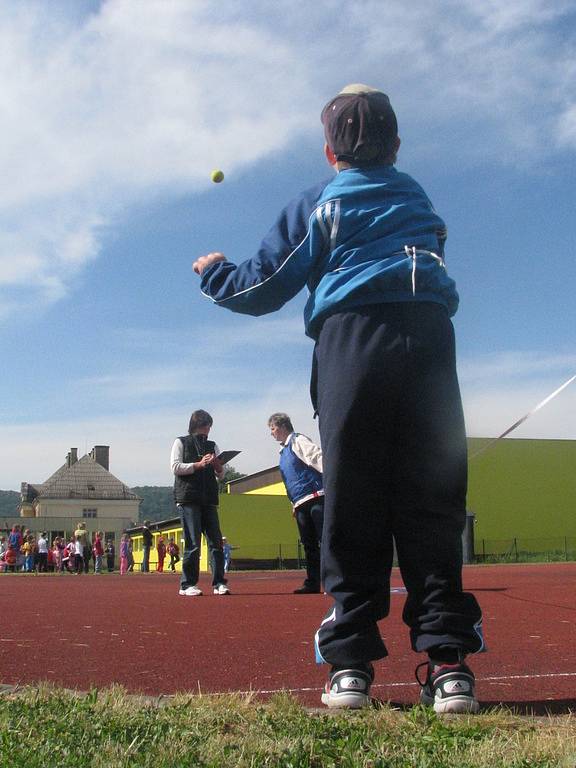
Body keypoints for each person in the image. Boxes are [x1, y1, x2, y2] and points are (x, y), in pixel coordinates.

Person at [192, 84, 484, 713]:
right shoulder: (419, 199)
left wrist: (213, 272)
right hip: (432, 342)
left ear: (328, 151)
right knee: (433, 500)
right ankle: (450, 664)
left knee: (354, 498)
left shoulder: (319, 203)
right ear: (398, 145)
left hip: (354, 341)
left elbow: (264, 285)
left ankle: (350, 665)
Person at [171, 409, 229, 596]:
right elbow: (175, 467)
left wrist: (217, 466)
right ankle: (187, 584)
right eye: (206, 425)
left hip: (209, 499)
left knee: (216, 542)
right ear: (196, 425)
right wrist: (198, 465)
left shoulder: (213, 445)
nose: (208, 429)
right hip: (188, 498)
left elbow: (222, 474)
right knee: (193, 542)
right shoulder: (181, 442)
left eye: (209, 426)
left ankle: (219, 582)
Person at [268, 413, 324, 594]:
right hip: (300, 503)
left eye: (273, 429)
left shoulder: (298, 441)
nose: (272, 433)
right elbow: (290, 481)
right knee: (309, 545)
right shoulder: (283, 453)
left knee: (326, 540)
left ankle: (336, 580)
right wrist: (294, 504)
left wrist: (334, 481)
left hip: (316, 497)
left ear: (283, 426)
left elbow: (317, 457)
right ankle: (313, 582)